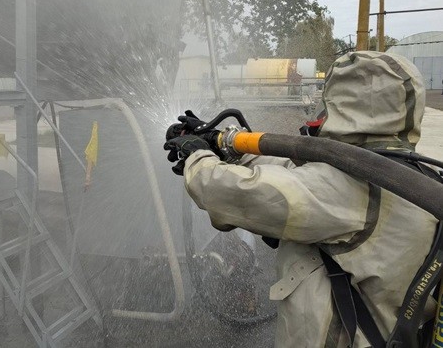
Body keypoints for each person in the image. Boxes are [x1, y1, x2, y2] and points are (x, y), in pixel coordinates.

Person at [164, 51, 437, 347]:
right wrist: (224, 148)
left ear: (346, 105)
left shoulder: (350, 189)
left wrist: (198, 156)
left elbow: (233, 193)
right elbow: (295, 173)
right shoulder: (408, 175)